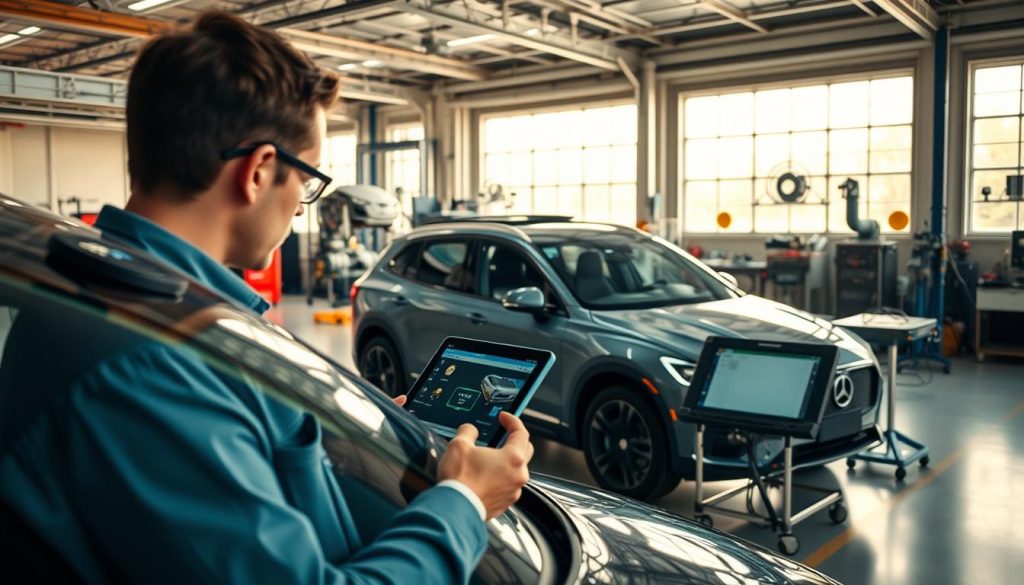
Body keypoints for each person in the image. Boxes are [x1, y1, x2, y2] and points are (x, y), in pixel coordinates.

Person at [0, 12, 533, 584]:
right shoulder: (152, 358)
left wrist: (357, 440)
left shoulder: (145, 306)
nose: (303, 203)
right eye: (306, 183)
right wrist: (465, 502)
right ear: (258, 172)